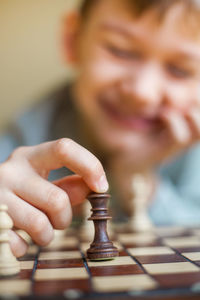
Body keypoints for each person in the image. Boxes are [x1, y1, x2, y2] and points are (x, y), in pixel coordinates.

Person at [1, 0, 200, 257]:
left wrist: (136, 178)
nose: (143, 92)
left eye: (179, 70)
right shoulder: (23, 142)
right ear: (72, 40)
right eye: (121, 50)